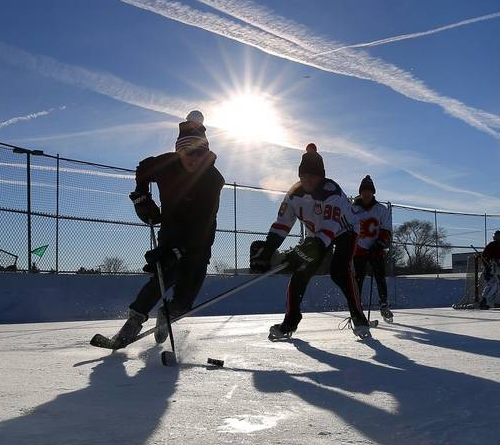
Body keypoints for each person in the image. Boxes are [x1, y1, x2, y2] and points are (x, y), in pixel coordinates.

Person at [112, 110, 225, 346]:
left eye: (199, 153)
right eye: (187, 152)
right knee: (164, 275)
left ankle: (168, 314)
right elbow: (143, 169)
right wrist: (142, 196)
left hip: (200, 240)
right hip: (171, 232)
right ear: (178, 151)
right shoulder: (165, 165)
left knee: (185, 298)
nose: (193, 158)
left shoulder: (213, 179)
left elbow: (203, 223)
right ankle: (132, 323)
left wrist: (181, 251)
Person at [250, 144, 371, 339]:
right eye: (304, 175)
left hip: (345, 230)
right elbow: (282, 224)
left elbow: (329, 229)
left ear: (321, 177)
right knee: (300, 274)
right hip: (317, 232)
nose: (307, 179)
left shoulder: (332, 193)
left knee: (339, 272)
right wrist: (267, 250)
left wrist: (303, 251)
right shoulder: (293, 194)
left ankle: (358, 318)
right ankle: (290, 322)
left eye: (313, 175)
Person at [352, 175, 393, 322]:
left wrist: (379, 243)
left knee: (380, 277)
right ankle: (356, 308)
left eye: (369, 191)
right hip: (359, 250)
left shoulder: (381, 210)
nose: (367, 193)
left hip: (376, 250)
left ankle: (383, 305)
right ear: (360, 193)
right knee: (357, 280)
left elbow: (387, 230)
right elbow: (348, 228)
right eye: (364, 191)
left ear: (373, 193)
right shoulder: (353, 209)